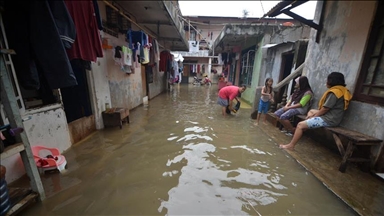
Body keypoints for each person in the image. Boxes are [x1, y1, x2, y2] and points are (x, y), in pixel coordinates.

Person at [280, 72, 352, 150]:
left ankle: (291, 145)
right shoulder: (342, 90)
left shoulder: (335, 93)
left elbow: (325, 109)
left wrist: (314, 116)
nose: (326, 82)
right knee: (311, 111)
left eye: (328, 80)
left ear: (332, 81)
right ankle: (305, 127)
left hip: (329, 119)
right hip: (333, 116)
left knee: (300, 125)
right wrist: (313, 115)